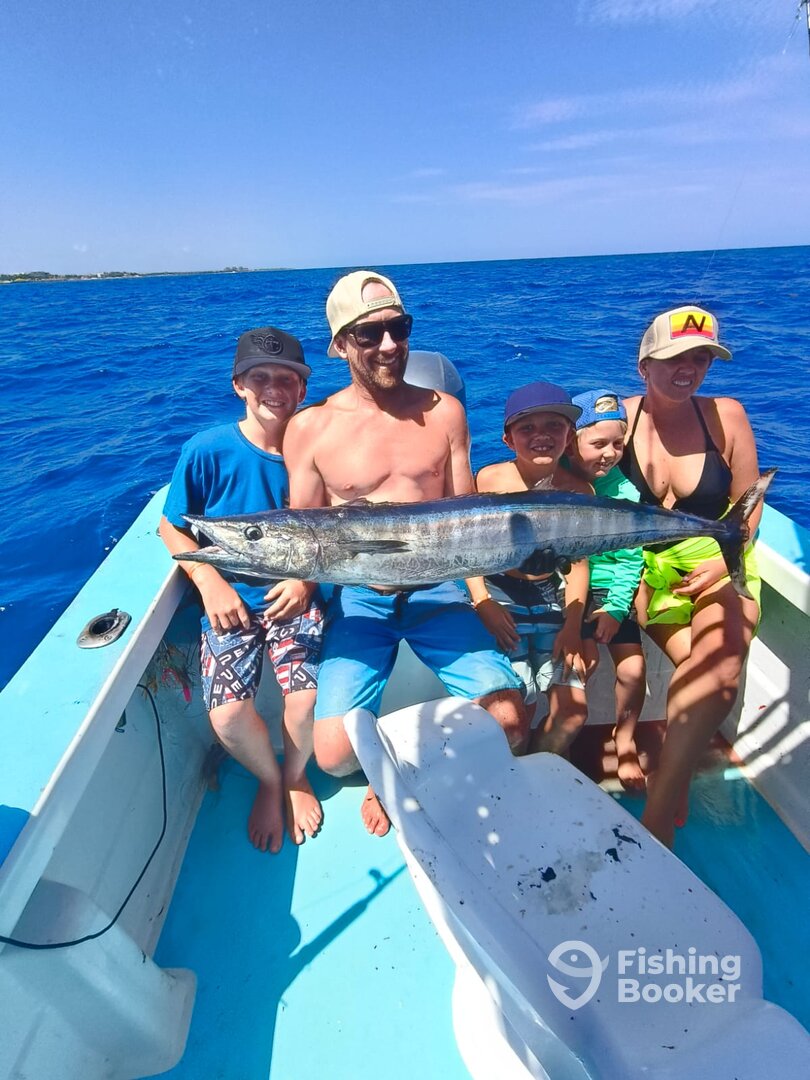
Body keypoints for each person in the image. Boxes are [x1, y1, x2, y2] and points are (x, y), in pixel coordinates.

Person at [282, 270, 526, 837]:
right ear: (341, 344)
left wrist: (481, 595)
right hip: (359, 599)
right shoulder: (310, 428)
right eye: (370, 334)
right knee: (333, 757)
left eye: (400, 327)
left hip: (439, 590)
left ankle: (405, 768)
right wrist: (298, 585)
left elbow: (467, 517)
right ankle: (393, 753)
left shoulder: (445, 413)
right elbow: (306, 534)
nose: (390, 344)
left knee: (511, 724)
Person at [159, 328, 324, 853]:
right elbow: (171, 526)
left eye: (287, 379)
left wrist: (304, 581)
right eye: (260, 377)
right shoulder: (206, 450)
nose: (274, 388)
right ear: (239, 385)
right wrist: (208, 582)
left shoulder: (316, 451)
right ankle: (270, 780)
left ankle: (296, 776)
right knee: (227, 715)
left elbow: (333, 532)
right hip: (228, 604)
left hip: (296, 597)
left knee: (306, 700)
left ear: (303, 388)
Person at [620, 305, 762, 847]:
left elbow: (749, 505)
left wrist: (723, 562)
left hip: (719, 558)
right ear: (644, 365)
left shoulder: (727, 415)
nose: (690, 369)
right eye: (676, 358)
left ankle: (657, 821)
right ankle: (671, 772)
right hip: (647, 571)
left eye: (702, 358)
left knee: (717, 669)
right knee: (706, 677)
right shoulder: (617, 421)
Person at [472, 382, 592, 756]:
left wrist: (573, 627)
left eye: (554, 426)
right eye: (527, 428)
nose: (542, 436)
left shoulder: (581, 492)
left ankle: (540, 765)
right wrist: (482, 603)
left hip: (553, 598)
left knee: (573, 713)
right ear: (508, 440)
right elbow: (468, 550)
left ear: (569, 436)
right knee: (516, 710)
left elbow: (577, 563)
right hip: (499, 595)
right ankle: (515, 769)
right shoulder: (488, 479)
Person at [567, 389, 647, 791]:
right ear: (571, 442)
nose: (610, 453)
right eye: (598, 444)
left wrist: (616, 609)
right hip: (569, 589)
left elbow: (631, 560)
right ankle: (564, 736)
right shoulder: (559, 484)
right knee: (581, 663)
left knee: (633, 670)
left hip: (611, 590)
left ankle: (625, 738)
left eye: (618, 444)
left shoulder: (626, 493)